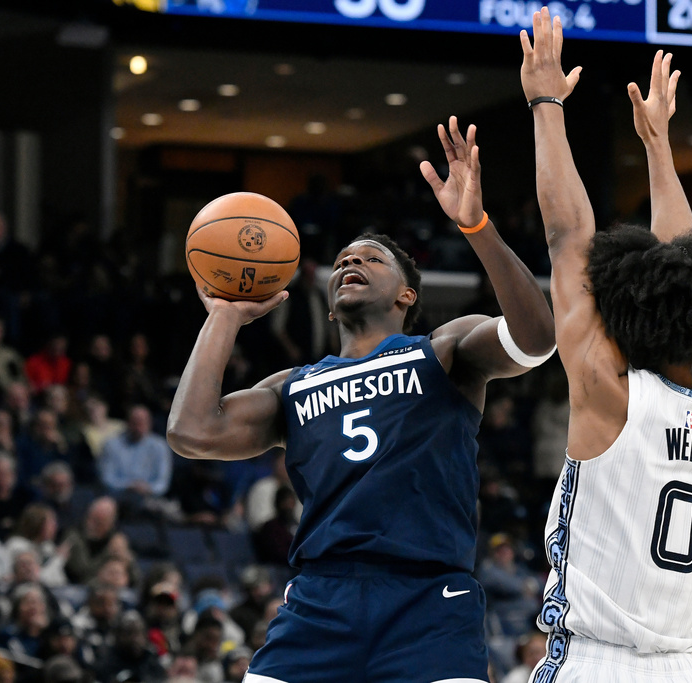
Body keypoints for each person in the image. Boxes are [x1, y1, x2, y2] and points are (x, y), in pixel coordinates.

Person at [167, 116, 556, 683]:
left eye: (372, 258)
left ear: (406, 294)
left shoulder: (442, 352)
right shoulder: (291, 386)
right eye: (345, 259)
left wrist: (477, 227)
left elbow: (537, 339)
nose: (351, 262)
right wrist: (223, 318)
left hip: (429, 599)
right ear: (329, 306)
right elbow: (191, 432)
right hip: (320, 602)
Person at [521, 11, 692, 681]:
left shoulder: (608, 392)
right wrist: (658, 146)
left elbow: (569, 238)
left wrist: (544, 106)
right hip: (681, 665)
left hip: (593, 661)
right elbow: (689, 264)